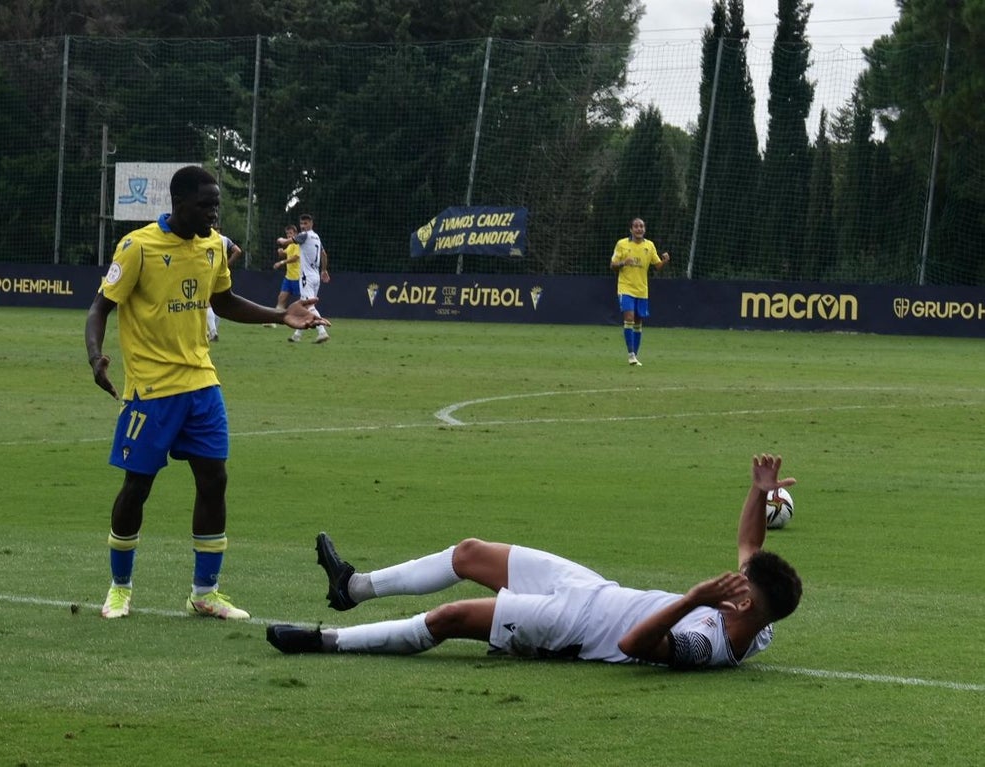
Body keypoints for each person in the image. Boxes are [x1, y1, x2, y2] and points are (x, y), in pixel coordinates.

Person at [267, 454, 802, 669]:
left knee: (449, 620)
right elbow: (751, 549)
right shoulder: (758, 616)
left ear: (748, 602)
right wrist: (758, 493)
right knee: (469, 552)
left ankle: (322, 641)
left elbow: (633, 645)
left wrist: (695, 598)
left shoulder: (709, 643)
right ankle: (352, 587)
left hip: (570, 627)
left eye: (741, 583)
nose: (738, 571)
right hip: (590, 586)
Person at [84, 165, 329, 620]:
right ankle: (120, 588)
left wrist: (282, 317)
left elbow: (224, 302)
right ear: (179, 205)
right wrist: (95, 355)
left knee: (214, 479)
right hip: (151, 391)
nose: (215, 214)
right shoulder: (137, 246)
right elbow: (101, 307)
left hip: (201, 383)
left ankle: (205, 592)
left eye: (217, 204)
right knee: (137, 486)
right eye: (206, 205)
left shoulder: (214, 247)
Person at [610, 217, 668, 366]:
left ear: (644, 229)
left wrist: (664, 261)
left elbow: (657, 266)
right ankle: (630, 354)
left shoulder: (649, 245)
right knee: (629, 316)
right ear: (631, 229)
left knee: (638, 321)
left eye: (641, 226)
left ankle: (634, 356)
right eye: (636, 226)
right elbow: (613, 265)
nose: (639, 229)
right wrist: (624, 262)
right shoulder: (622, 244)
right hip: (626, 287)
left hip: (642, 290)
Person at [276, 213, 330, 344]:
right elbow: (323, 254)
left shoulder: (303, 236)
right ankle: (297, 335)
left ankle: (322, 332)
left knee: (310, 307)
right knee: (305, 306)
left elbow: (285, 242)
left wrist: (280, 240)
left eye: (306, 223)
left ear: (311, 224)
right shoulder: (317, 237)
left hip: (307, 277)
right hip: (316, 275)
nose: (303, 226)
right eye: (301, 224)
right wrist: (324, 270)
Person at [263, 224, 301, 328]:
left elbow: (296, 258)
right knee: (281, 298)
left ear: (295, 234)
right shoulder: (290, 245)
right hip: (289, 277)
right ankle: (274, 321)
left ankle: (304, 319)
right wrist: (281, 253)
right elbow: (286, 254)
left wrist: (282, 262)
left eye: (291, 233)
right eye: (287, 233)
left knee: (303, 301)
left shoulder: (297, 244)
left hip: (298, 277)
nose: (289, 235)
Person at [206, 234, 243, 342]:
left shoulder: (202, 238)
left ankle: (212, 331)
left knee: (205, 302)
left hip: (207, 272)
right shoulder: (224, 239)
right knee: (218, 301)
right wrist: (226, 265)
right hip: (221, 274)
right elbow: (238, 251)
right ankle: (213, 331)